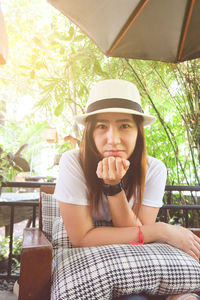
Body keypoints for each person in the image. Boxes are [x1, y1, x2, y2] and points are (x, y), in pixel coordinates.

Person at [54, 79, 200, 300]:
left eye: (124, 125)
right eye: (102, 126)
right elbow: (81, 238)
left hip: (134, 254)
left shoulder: (154, 169)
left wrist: (113, 189)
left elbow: (139, 242)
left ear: (138, 131)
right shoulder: (73, 162)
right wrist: (163, 230)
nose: (113, 139)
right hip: (94, 259)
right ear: (91, 132)